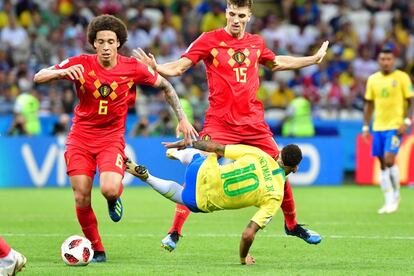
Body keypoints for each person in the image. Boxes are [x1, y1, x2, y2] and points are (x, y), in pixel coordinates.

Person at [133, 0, 327, 250]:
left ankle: (292, 225)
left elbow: (277, 62)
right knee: (199, 173)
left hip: (254, 123)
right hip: (220, 122)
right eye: (232, 14)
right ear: (226, 13)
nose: (236, 19)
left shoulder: (256, 43)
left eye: (241, 15)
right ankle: (174, 232)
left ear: (249, 16)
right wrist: (158, 67)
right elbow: (180, 66)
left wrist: (313, 59)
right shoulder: (208, 39)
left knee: (279, 171)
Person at [33, 15, 198, 262]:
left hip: (111, 138)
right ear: (94, 44)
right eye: (101, 41)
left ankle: (114, 199)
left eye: (111, 41)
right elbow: (38, 77)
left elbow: (166, 86)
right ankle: (97, 249)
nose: (107, 46)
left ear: (118, 43)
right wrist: (63, 72)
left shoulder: (132, 67)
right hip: (80, 138)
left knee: (109, 190)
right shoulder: (80, 63)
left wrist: (182, 118)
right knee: (81, 196)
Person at [126, 140, 319, 265]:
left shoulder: (259, 154)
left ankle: (179, 153)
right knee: (179, 194)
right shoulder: (276, 196)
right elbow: (247, 235)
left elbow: (216, 148)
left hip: (202, 169)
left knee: (197, 156)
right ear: (295, 168)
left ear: (279, 153)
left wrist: (190, 142)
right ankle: (148, 177)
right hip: (201, 200)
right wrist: (243, 259)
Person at [362, 47, 414, 214]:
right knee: (383, 165)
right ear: (379, 60)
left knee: (389, 159)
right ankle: (388, 200)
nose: (386, 62)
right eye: (383, 59)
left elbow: (411, 101)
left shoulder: (402, 78)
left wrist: (406, 121)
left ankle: (396, 195)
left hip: (395, 126)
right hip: (378, 127)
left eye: (389, 59)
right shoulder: (373, 79)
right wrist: (365, 126)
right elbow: (369, 104)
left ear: (393, 60)